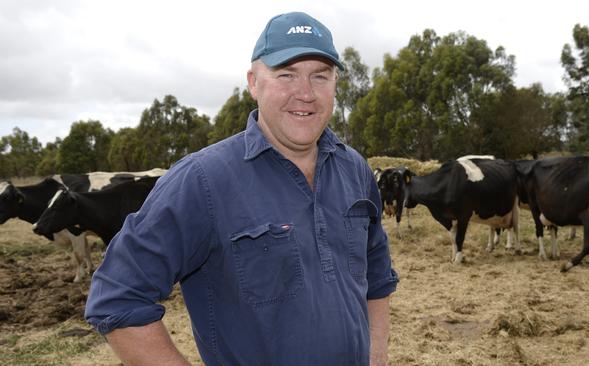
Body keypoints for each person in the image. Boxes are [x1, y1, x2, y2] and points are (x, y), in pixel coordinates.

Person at [85, 11, 398, 366]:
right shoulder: (202, 180)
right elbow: (117, 296)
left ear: (336, 83)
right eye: (286, 74)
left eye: (320, 76)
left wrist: (377, 354)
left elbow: (376, 271)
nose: (306, 93)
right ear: (253, 82)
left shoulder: (353, 168)